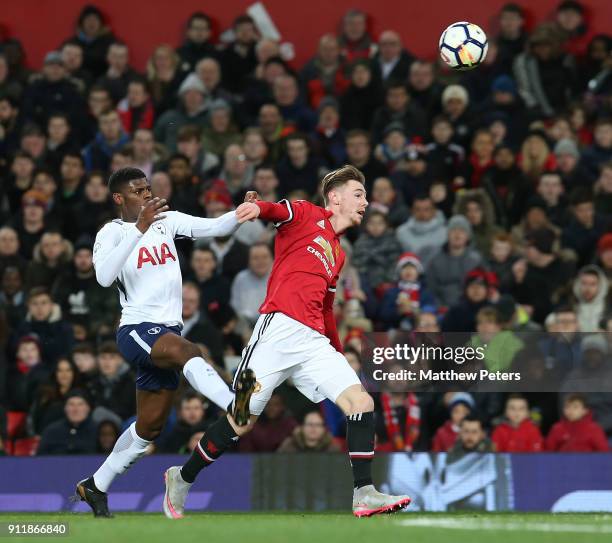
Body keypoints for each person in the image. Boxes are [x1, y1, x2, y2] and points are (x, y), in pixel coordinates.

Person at [163, 164, 411, 518]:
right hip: (275, 334)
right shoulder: (308, 214)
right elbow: (278, 211)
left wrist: (338, 354)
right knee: (241, 418)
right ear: (335, 198)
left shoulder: (338, 254)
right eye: (359, 195)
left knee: (360, 401)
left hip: (314, 345)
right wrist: (257, 208)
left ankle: (363, 493)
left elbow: (327, 309)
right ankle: (182, 478)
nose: (366, 202)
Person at [74, 167, 257, 517]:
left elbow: (214, 226)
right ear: (119, 198)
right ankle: (236, 406)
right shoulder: (110, 233)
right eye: (138, 190)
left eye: (147, 188)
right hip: (137, 329)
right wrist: (139, 227)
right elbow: (102, 277)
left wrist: (242, 212)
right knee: (189, 350)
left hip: (165, 333)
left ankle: (95, 486)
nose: (146, 194)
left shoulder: (167, 221)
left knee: (148, 430)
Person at [37, 390, 98, 455]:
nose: (75, 409)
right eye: (71, 404)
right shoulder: (51, 431)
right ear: (65, 408)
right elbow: (40, 459)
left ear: (88, 408)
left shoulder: (98, 431)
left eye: (80, 404)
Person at [278, 410, 342, 452]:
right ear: (302, 427)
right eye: (309, 424)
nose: (313, 428)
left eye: (318, 425)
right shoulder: (289, 445)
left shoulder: (332, 449)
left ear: (323, 428)